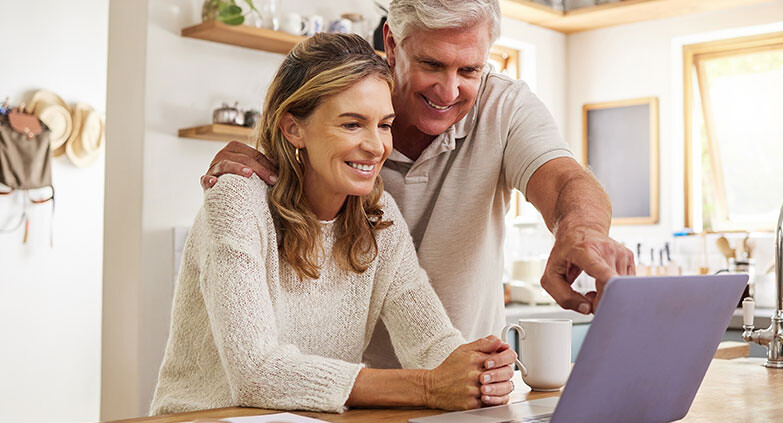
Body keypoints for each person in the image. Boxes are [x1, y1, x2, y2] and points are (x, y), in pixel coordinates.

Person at [201, 0, 635, 369]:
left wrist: (581, 231)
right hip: (337, 396)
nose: (449, 90)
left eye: (470, 69)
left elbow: (564, 181)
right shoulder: (336, 112)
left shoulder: (504, 108)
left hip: (450, 387)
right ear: (392, 43)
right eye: (432, 64)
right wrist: (263, 168)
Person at [150, 33, 516, 415]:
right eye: (352, 124)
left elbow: (432, 345)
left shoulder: (379, 217)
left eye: (384, 125)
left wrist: (479, 369)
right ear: (294, 128)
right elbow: (257, 372)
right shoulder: (238, 200)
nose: (376, 146)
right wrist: (428, 386)